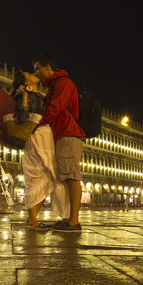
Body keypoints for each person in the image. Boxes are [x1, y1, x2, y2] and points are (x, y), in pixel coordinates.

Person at [33, 53, 84, 233]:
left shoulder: (63, 83)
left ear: (48, 67)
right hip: (61, 134)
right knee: (64, 176)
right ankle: (67, 218)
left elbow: (56, 108)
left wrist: (37, 122)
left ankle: (74, 222)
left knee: (71, 177)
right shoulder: (52, 87)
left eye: (37, 69)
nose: (36, 73)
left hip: (68, 133)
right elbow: (52, 105)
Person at [11, 70, 68, 232]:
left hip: (46, 137)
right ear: (26, 83)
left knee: (50, 176)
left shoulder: (41, 97)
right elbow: (21, 119)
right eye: (28, 73)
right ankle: (34, 221)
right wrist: (23, 97)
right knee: (34, 177)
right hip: (35, 138)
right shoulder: (25, 96)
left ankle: (31, 218)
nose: (32, 73)